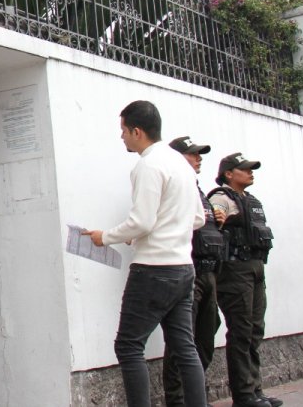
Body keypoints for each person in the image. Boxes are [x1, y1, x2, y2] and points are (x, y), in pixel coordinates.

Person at [83, 101, 208, 407]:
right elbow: (198, 218)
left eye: (123, 130)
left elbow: (142, 220)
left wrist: (105, 237)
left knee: (128, 346)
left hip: (153, 270)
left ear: (137, 131)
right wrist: (152, 232)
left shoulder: (148, 165)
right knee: (184, 347)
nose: (122, 137)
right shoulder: (180, 163)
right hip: (183, 269)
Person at [209, 153, 280, 407]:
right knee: (241, 331)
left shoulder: (251, 200)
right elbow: (216, 214)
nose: (251, 173)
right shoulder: (221, 197)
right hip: (234, 271)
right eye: (245, 169)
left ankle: (256, 390)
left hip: (256, 268)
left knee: (254, 330)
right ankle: (244, 395)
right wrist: (218, 215)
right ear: (229, 173)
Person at [162, 136, 227, 407]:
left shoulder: (197, 190)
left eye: (200, 154)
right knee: (182, 340)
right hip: (189, 272)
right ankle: (178, 401)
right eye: (193, 154)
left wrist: (219, 221)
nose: (199, 158)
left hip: (209, 273)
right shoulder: (173, 186)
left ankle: (195, 396)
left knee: (205, 334)